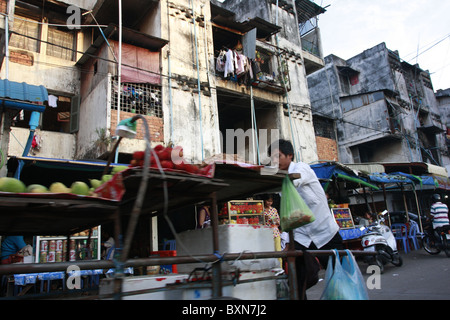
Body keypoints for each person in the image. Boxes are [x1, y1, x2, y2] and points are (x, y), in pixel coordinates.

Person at [268, 139, 343, 298]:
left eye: (278, 156)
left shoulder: (303, 168)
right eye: (272, 158)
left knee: (339, 275)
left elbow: (295, 179)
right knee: (297, 280)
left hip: (325, 232)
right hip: (301, 236)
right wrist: (287, 240)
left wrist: (268, 173)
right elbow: (289, 213)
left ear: (290, 155)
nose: (275, 161)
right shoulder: (281, 182)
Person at [261, 193, 282, 268]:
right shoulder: (261, 210)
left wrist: (275, 220)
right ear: (264, 201)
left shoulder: (274, 210)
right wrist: (263, 219)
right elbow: (258, 223)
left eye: (271, 201)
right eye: (268, 201)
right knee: (267, 252)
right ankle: (269, 268)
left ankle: (280, 268)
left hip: (275, 233)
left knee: (278, 251)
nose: (269, 203)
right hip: (265, 234)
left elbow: (278, 222)